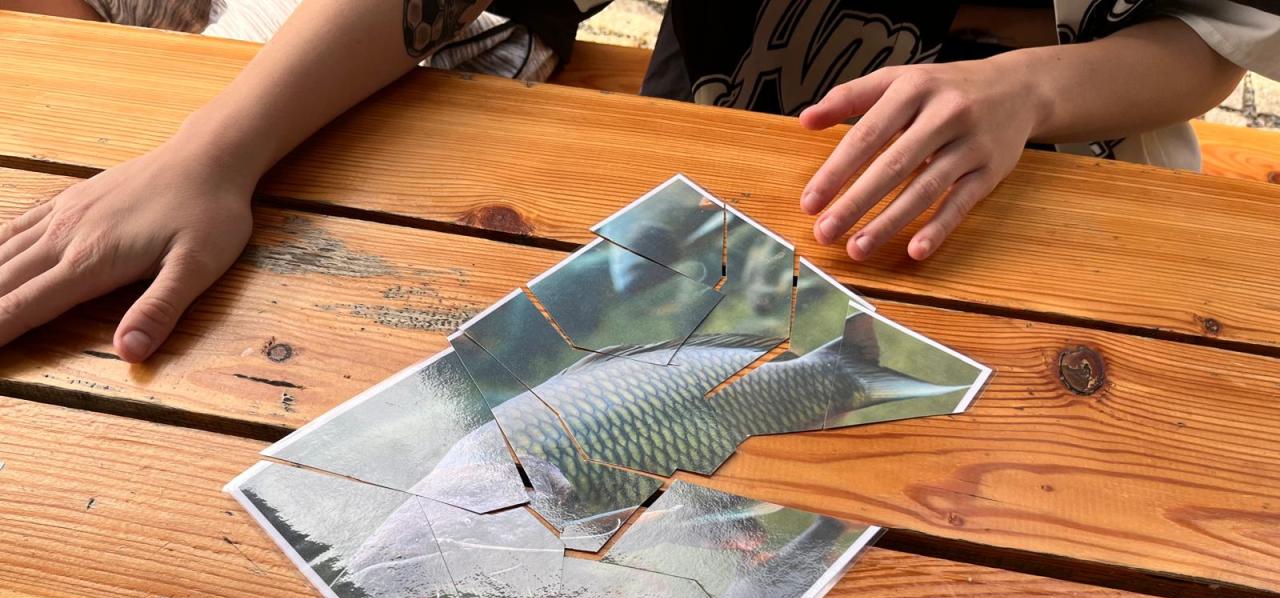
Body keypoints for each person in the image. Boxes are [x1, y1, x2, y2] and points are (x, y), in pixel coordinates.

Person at [0, 0, 1275, 364]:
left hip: (1057, 226)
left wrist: (1034, 88)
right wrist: (210, 154)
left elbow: (1210, 43)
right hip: (701, 199)